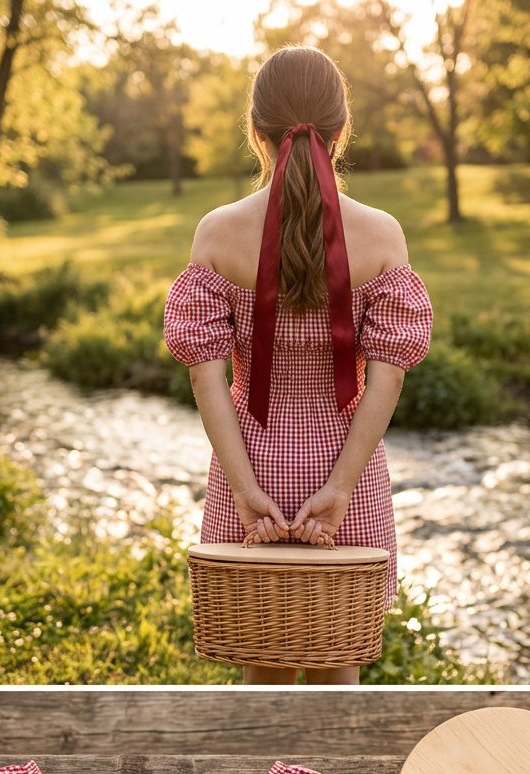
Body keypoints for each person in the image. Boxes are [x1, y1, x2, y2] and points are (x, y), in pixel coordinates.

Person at [164, 44, 433, 685]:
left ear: (256, 133)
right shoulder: (383, 235)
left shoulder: (217, 232)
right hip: (348, 470)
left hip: (249, 461)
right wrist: (338, 487)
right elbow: (389, 375)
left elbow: (206, 375)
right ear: (342, 133)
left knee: (262, 664)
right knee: (338, 665)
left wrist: (244, 490)